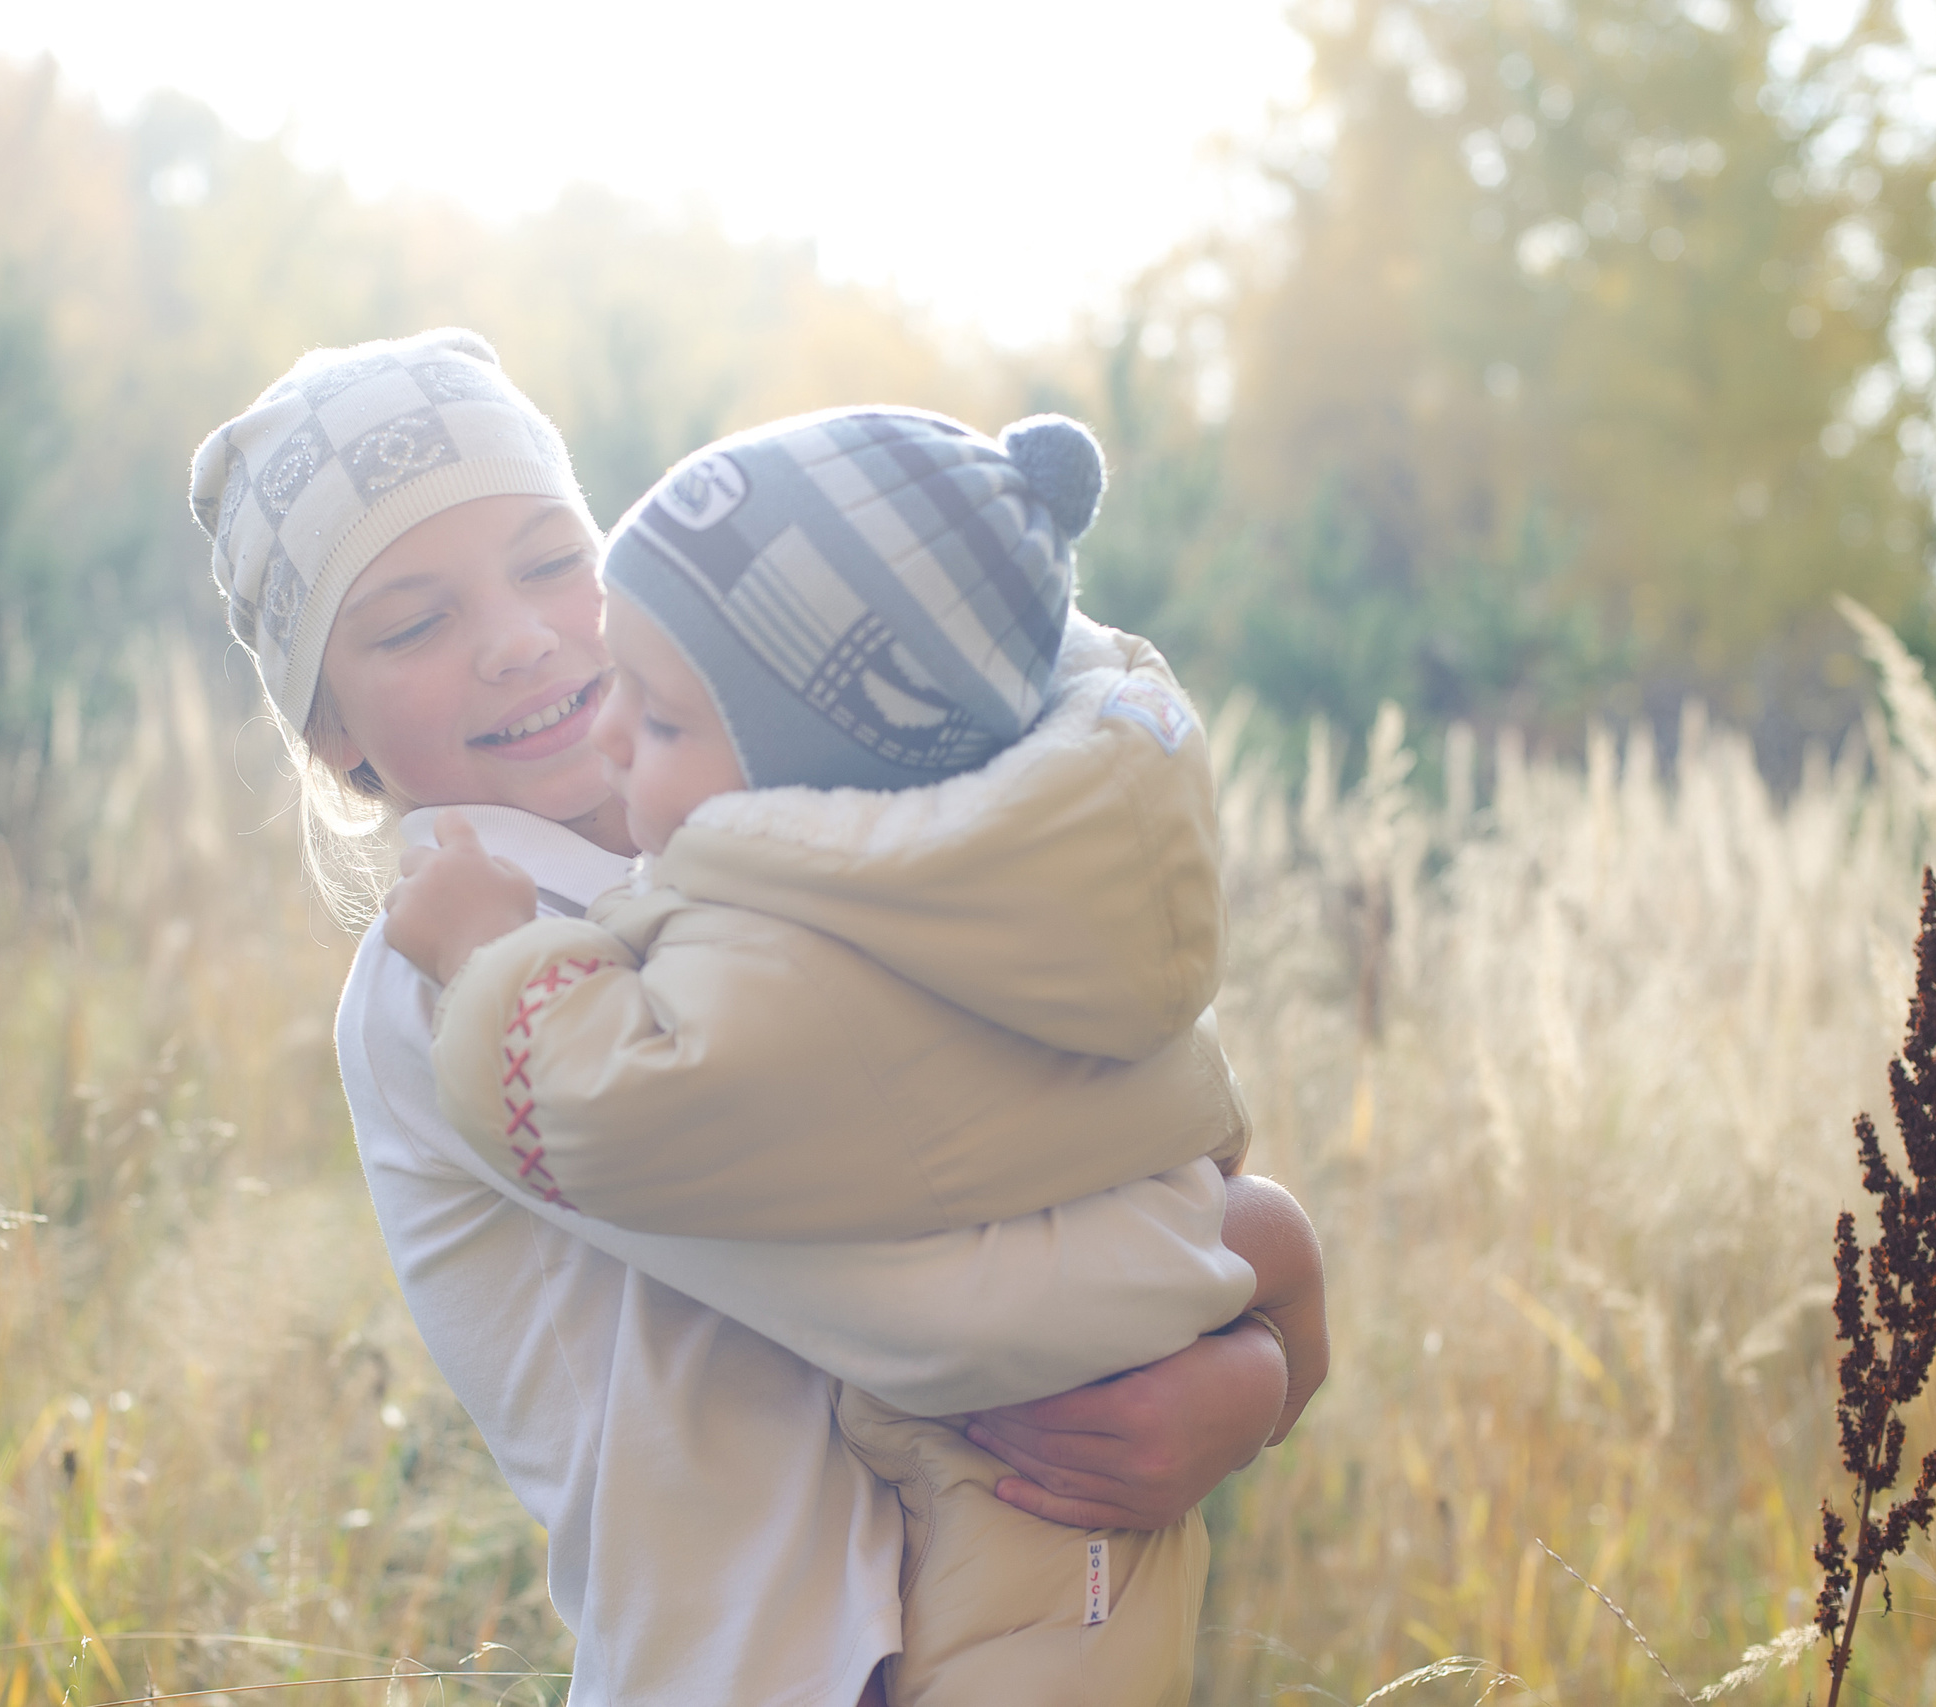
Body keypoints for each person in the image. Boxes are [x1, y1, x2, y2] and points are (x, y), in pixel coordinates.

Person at [187, 329, 1327, 1707]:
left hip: (1016, 1622)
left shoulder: (787, 845)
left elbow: (1091, 1111)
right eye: (414, 624)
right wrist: (1261, 1271)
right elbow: (920, 1308)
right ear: (336, 738)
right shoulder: (460, 986)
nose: (520, 637)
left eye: (555, 559)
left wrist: (1259, 1345)